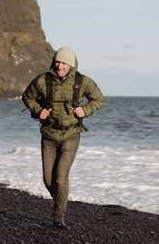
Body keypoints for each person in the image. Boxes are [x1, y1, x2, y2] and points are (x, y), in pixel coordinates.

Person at [22, 46, 105, 228]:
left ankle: (58, 217)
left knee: (60, 177)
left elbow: (99, 99)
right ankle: (61, 201)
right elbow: (28, 97)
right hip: (49, 135)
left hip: (71, 134)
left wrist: (85, 110)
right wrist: (38, 111)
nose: (60, 66)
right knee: (48, 179)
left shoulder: (82, 82)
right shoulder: (43, 80)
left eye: (64, 63)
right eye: (58, 62)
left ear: (71, 65)